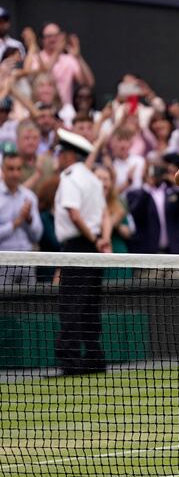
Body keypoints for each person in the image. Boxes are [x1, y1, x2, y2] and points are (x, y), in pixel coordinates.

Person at [53, 128, 111, 376]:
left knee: (72, 304)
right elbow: (103, 214)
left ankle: (71, 361)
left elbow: (74, 214)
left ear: (69, 155)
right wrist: (101, 240)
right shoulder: (92, 179)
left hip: (77, 248)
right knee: (89, 305)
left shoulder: (69, 178)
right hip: (93, 249)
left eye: (61, 153)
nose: (58, 157)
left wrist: (95, 239)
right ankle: (94, 357)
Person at [0, 149, 43, 285]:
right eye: (11, 169)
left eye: (18, 169)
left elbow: (37, 236)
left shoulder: (29, 196)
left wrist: (29, 219)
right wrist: (15, 223)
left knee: (29, 305)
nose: (15, 173)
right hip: (3, 261)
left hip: (27, 260)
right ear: (2, 170)